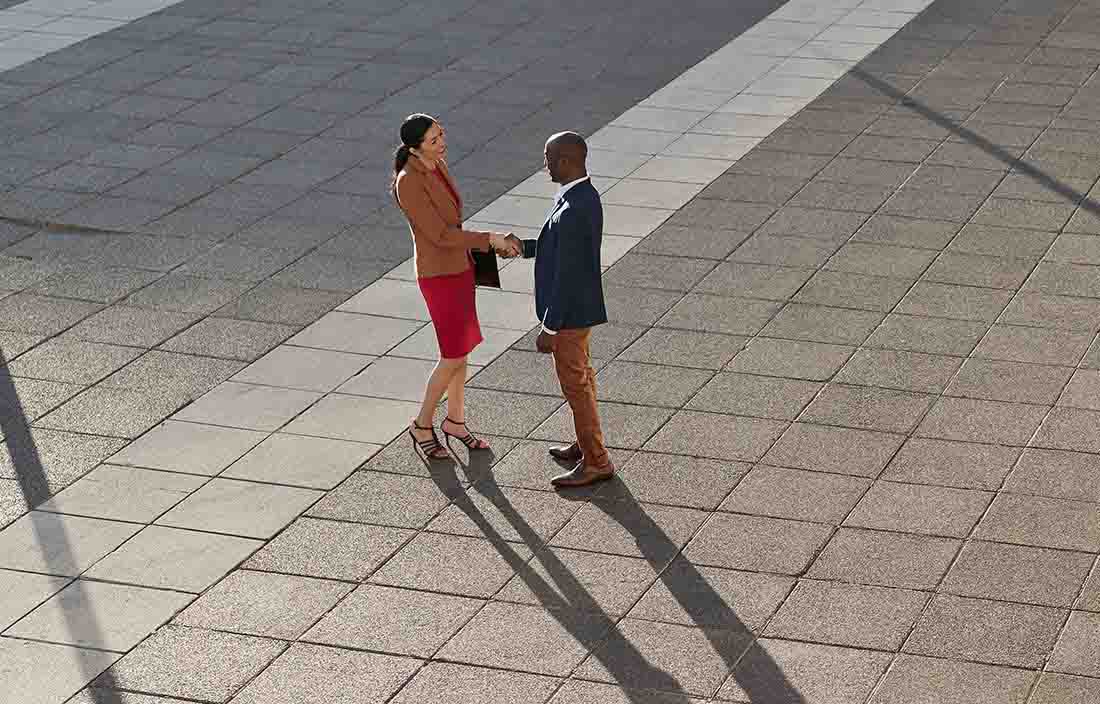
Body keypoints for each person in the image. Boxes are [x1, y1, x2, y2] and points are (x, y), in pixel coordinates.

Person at [393, 113, 520, 460]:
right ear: (414, 147)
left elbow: (452, 222)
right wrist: (489, 240)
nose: (442, 143)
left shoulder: (437, 164)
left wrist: (481, 244)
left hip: (459, 269)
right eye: (434, 140)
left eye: (441, 135)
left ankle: (456, 421)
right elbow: (439, 234)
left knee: (461, 350)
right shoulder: (409, 181)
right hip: (439, 275)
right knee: (451, 355)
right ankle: (422, 424)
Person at [506, 132, 614, 487]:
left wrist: (549, 328)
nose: (545, 164)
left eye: (548, 158)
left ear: (566, 161)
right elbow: (562, 249)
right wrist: (523, 248)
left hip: (568, 316)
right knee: (583, 378)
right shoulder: (580, 196)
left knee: (576, 386)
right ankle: (586, 444)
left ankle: (596, 461)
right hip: (579, 309)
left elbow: (568, 274)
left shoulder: (573, 208)